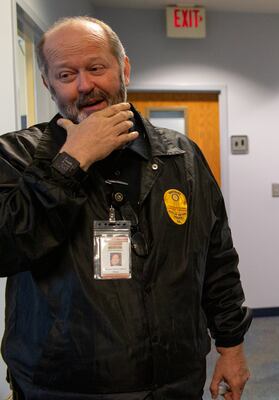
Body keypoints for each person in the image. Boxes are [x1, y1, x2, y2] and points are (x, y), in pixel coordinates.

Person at [0, 16, 251, 399]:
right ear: (48, 83)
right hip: (63, 388)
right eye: (67, 74)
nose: (85, 85)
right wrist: (71, 161)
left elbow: (216, 257)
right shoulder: (16, 155)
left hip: (173, 383)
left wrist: (231, 345)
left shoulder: (180, 155)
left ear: (124, 68)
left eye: (96, 68)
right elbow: (6, 247)